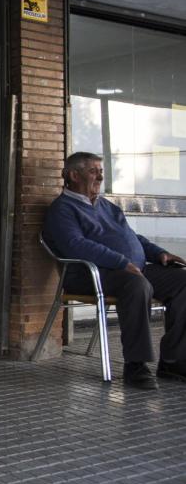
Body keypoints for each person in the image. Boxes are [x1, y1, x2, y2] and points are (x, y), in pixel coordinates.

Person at [43, 152, 186, 390]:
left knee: (182, 280)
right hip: (92, 275)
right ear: (73, 175)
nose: (100, 176)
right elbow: (76, 245)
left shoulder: (106, 206)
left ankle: (173, 360)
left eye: (101, 171)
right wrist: (121, 262)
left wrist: (158, 253)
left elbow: (133, 237)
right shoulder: (62, 209)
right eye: (93, 171)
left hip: (130, 269)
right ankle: (135, 364)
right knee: (137, 286)